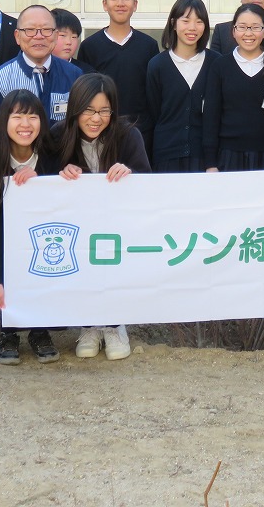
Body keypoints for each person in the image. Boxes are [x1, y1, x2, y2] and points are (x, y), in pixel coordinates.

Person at [51, 73, 150, 360]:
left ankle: (114, 324)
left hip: (117, 223)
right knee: (81, 266)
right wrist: (60, 174)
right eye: (89, 111)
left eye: (104, 110)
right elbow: (43, 180)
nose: (96, 118)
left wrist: (129, 174)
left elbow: (148, 181)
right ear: (75, 110)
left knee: (112, 265)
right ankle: (88, 325)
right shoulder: (58, 135)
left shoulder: (128, 134)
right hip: (75, 224)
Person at [0, 90, 62, 365]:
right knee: (8, 264)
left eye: (33, 117)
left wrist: (44, 181)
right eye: (17, 116)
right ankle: (8, 330)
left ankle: (39, 330)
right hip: (3, 239)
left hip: (45, 240)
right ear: (4, 121)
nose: (25, 124)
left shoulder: (52, 157)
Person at [203, 3, 264, 172]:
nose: (248, 33)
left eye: (255, 27)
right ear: (233, 31)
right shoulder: (220, 66)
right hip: (228, 156)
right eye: (242, 27)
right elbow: (211, 116)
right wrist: (210, 163)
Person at [76, 0, 159, 137]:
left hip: (141, 132)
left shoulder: (149, 46)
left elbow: (153, 94)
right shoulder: (90, 46)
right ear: (105, 4)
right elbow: (85, 94)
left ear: (135, 4)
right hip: (100, 132)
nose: (120, 3)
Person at [145, 0, 219, 172]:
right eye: (185, 20)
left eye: (199, 22)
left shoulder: (216, 63)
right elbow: (154, 113)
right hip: (166, 156)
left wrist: (212, 162)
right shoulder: (157, 65)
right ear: (173, 23)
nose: (192, 28)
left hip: (205, 160)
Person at [0, 5, 83, 118]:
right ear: (17, 36)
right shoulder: (0, 79)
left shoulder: (74, 75)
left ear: (55, 36)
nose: (39, 36)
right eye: (30, 30)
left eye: (46, 30)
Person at [50, 8, 94, 74]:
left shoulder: (86, 72)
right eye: (63, 35)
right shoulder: (38, 69)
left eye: (74, 37)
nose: (69, 42)